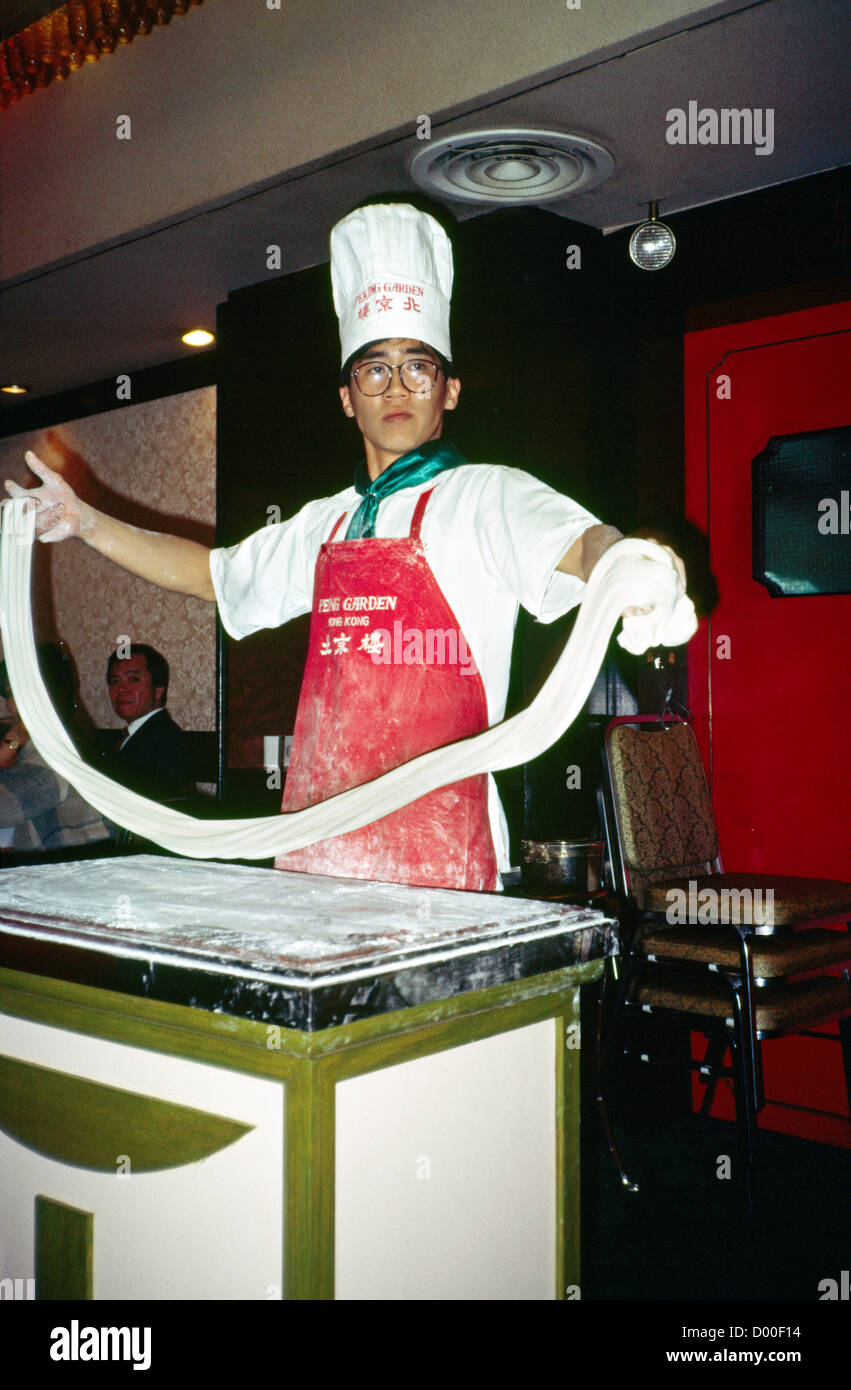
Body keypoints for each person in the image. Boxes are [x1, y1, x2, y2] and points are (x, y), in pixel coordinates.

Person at [4, 201, 687, 891]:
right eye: (373, 370)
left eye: (417, 368)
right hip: (319, 838)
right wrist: (85, 522)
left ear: (448, 391)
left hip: (441, 850)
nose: (396, 387)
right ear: (345, 397)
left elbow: (583, 545)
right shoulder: (325, 522)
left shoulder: (490, 496)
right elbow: (212, 575)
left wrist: (635, 564)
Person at [0, 643, 110, 855]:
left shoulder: (59, 748)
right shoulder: (34, 741)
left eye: (23, 690)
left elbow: (5, 807)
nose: (14, 703)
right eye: (10, 693)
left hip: (79, 873)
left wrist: (14, 737)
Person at [100, 643, 192, 803]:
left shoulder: (165, 742)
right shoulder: (125, 737)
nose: (121, 689)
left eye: (133, 679)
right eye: (115, 681)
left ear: (158, 689)